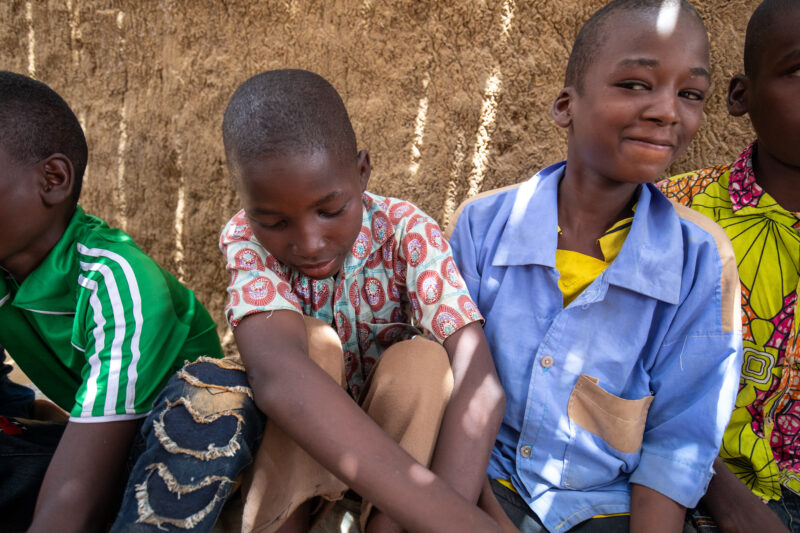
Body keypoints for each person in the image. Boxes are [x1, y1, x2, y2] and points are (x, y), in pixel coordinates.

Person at [116, 69, 508, 533]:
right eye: (275, 221)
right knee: (312, 345)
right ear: (246, 203)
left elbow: (479, 382)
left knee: (425, 360)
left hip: (402, 464)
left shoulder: (407, 233)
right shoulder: (246, 240)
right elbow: (280, 376)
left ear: (362, 171)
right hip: (300, 450)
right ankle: (284, 523)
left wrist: (451, 517)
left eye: (330, 210)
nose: (309, 242)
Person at [447, 1, 743, 531]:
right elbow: (453, 394)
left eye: (690, 94)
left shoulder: (699, 260)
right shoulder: (482, 227)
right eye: (634, 84)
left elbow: (678, 443)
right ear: (566, 105)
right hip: (481, 486)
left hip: (607, 506)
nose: (666, 111)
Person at [0, 71, 224, 533]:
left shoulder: (117, 282)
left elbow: (74, 497)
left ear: (53, 179)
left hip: (172, 457)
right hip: (82, 447)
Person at [658, 1, 800, 530]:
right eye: (798, 70)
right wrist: (722, 491)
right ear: (741, 95)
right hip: (683, 492)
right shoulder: (672, 217)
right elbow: (618, 378)